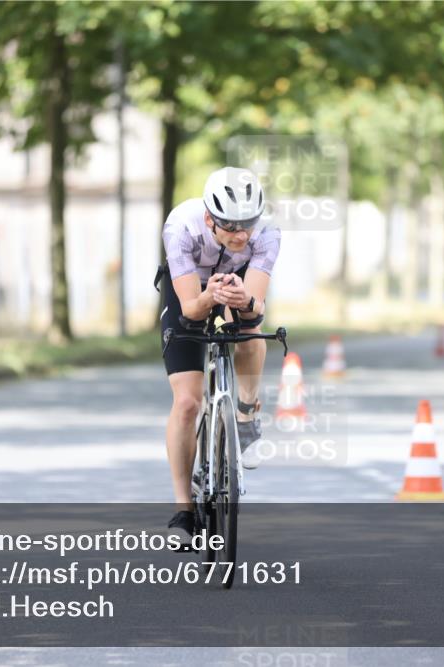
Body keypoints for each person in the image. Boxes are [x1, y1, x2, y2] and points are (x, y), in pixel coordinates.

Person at [156, 167, 281, 540]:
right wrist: (209, 295)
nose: (241, 234)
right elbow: (192, 308)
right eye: (230, 226)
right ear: (210, 218)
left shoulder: (268, 232)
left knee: (251, 331)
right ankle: (184, 511)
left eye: (248, 224)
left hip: (236, 289)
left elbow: (254, 309)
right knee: (188, 403)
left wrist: (243, 301)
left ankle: (245, 414)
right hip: (191, 292)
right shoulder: (181, 227)